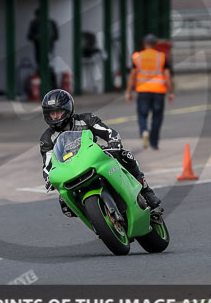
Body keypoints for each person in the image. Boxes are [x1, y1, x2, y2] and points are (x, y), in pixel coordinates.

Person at [40, 88, 161, 218]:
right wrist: (48, 178)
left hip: (94, 157)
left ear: (68, 109)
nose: (55, 116)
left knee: (125, 156)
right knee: (64, 203)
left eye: (58, 111)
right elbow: (47, 165)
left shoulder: (86, 119)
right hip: (70, 169)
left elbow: (108, 132)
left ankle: (146, 190)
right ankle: (94, 220)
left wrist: (114, 142)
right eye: (52, 113)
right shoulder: (47, 138)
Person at [125, 34, 174, 150]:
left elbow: (132, 76)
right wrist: (171, 92)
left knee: (142, 115)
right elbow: (167, 76)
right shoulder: (161, 57)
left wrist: (128, 92)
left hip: (143, 91)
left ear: (144, 44)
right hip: (158, 91)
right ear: (155, 44)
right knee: (157, 117)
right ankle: (154, 142)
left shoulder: (137, 57)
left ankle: (144, 131)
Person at [27, 9, 59, 76]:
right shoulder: (34, 23)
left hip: (49, 49)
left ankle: (51, 84)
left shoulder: (51, 23)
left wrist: (48, 37)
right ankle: (42, 83)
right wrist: (36, 37)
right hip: (39, 50)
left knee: (50, 67)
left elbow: (56, 36)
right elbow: (29, 36)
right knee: (41, 66)